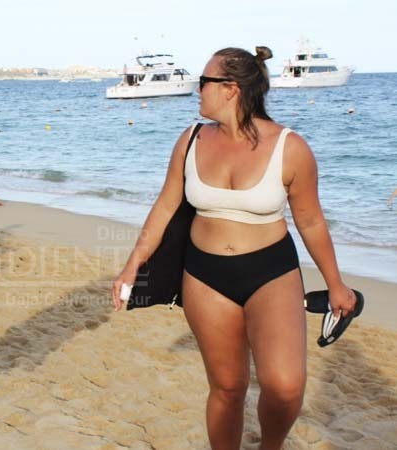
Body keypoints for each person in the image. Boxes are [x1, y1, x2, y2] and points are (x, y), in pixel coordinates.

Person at [111, 47, 358, 450]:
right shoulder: (190, 140)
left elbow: (311, 221)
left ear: (230, 88)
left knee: (285, 387)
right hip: (204, 276)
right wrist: (131, 266)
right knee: (227, 387)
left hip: (271, 273)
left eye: (203, 82)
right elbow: (165, 206)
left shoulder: (290, 147)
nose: (197, 89)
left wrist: (336, 285)